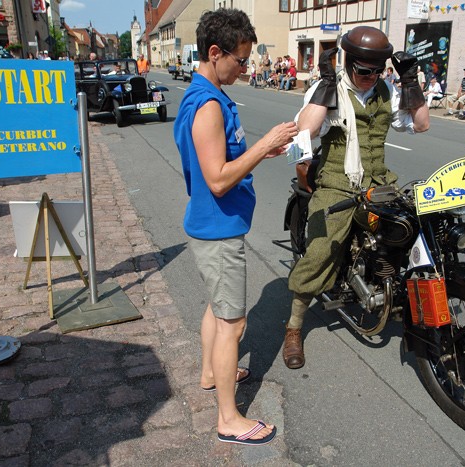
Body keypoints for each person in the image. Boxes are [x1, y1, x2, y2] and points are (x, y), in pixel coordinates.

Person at [173, 8, 297, 446]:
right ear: (214, 52)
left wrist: (260, 154)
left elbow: (221, 163)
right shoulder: (208, 105)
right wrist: (263, 144)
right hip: (218, 229)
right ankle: (229, 418)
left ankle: (211, 373)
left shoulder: (203, 94)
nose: (245, 68)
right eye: (240, 60)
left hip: (212, 225)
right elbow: (219, 179)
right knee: (233, 324)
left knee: (215, 305)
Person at [282, 26, 429, 370]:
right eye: (364, 71)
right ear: (349, 64)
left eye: (378, 70)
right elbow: (304, 131)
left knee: (414, 226)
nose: (370, 77)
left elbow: (421, 125)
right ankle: (293, 326)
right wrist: (328, 86)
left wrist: (411, 84)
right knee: (321, 249)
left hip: (379, 180)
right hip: (337, 180)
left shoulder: (386, 90)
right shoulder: (329, 87)